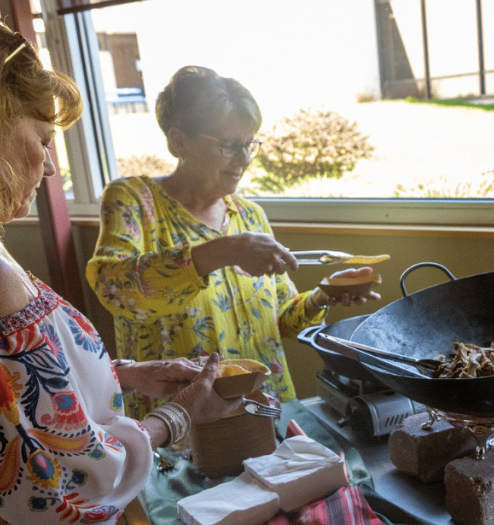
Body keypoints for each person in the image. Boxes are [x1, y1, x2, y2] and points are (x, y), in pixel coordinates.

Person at [0, 8, 242, 525]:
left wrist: (130, 374)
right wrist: (178, 418)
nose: (49, 166)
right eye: (41, 139)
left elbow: (4, 402)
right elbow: (53, 486)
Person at [86, 65, 378, 419]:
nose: (245, 159)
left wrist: (322, 296)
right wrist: (224, 251)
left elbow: (282, 320)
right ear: (179, 141)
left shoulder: (249, 215)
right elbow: (115, 288)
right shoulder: (134, 199)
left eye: (249, 144)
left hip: (264, 409)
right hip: (179, 419)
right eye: (229, 145)